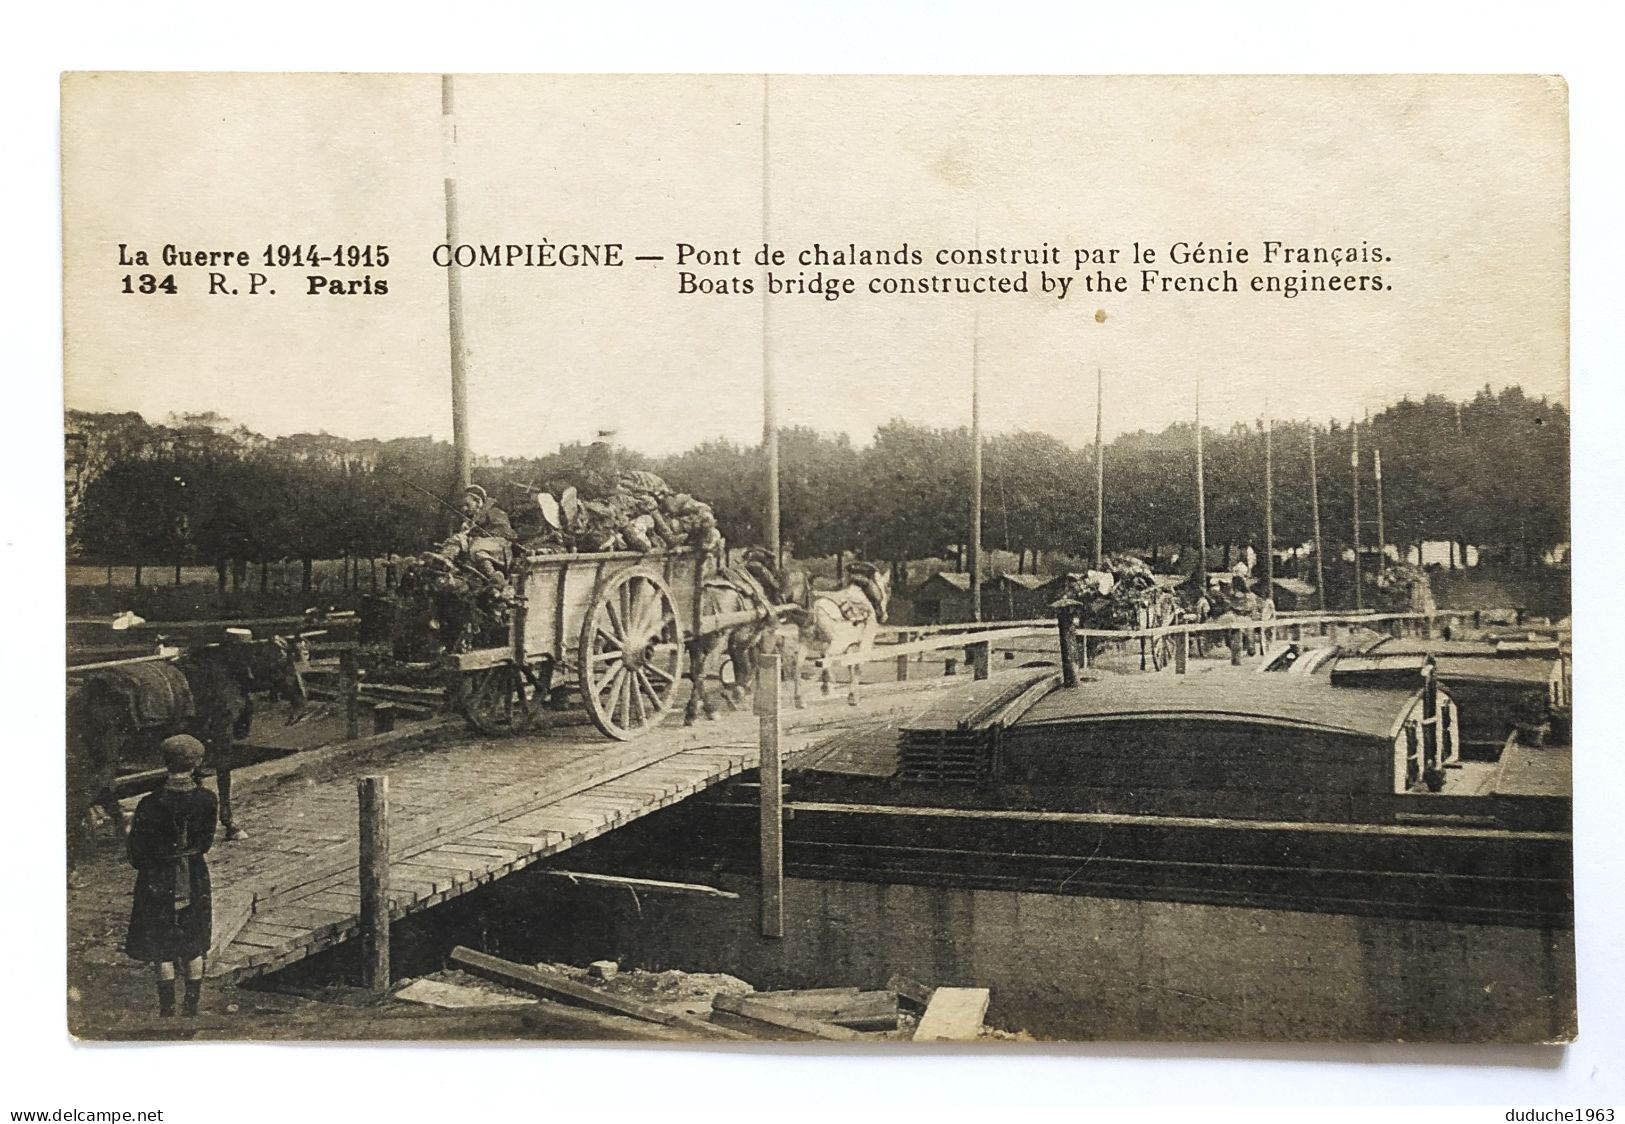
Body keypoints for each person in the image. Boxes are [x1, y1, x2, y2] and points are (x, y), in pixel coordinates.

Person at [124, 734, 217, 1018]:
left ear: (166, 763)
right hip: (195, 877)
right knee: (193, 943)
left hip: (157, 878)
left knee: (161, 947)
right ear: (196, 763)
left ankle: (167, 1010)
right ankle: (191, 1006)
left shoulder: (149, 804)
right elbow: (206, 844)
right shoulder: (207, 799)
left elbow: (136, 856)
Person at [457, 484, 515, 587]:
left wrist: (481, 532)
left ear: (478, 502)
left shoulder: (495, 512)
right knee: (459, 539)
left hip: (499, 548)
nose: (464, 509)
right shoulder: (472, 520)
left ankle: (494, 577)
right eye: (462, 506)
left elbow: (506, 533)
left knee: (477, 546)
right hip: (482, 546)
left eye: (467, 504)